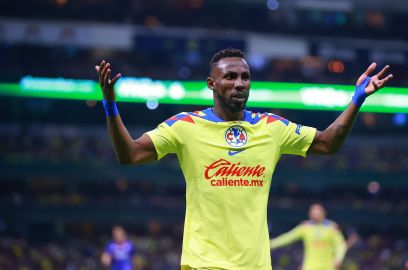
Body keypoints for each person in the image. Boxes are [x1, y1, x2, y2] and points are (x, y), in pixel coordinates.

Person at [94, 48, 393, 270]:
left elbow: (328, 143)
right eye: (230, 76)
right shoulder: (185, 126)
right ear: (211, 84)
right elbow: (129, 154)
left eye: (245, 77)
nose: (240, 83)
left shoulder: (271, 127)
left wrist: (356, 100)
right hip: (203, 264)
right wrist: (110, 105)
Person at [270, 203, 347, 270]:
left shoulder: (331, 228)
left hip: (328, 266)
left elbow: (340, 244)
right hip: (310, 266)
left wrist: (338, 258)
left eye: (318, 211)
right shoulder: (305, 227)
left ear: (324, 213)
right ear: (309, 214)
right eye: (313, 211)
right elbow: (288, 237)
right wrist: (271, 244)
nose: (315, 213)